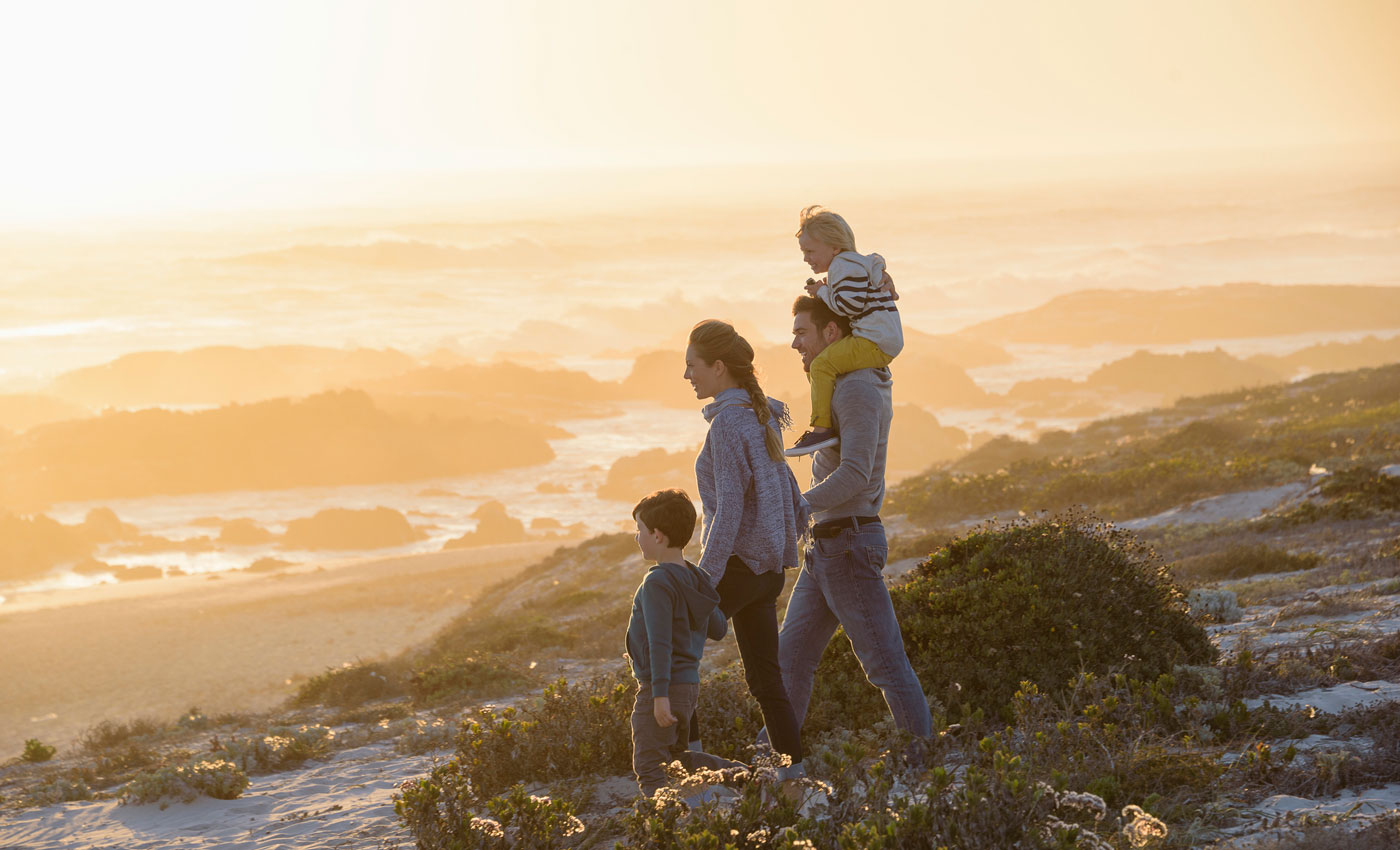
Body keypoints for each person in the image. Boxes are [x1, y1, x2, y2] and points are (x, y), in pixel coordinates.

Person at [777, 295, 932, 740]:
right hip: (826, 547)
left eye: (801, 332)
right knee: (790, 663)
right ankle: (774, 766)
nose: (794, 344)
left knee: (886, 667)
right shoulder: (842, 383)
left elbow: (857, 474)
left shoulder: (857, 387)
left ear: (832, 333)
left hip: (848, 544)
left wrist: (799, 506)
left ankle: (921, 769)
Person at [684, 319, 810, 779]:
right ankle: (794, 776)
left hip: (739, 567)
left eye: (692, 366)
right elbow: (786, 487)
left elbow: (729, 511)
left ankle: (688, 765)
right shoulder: (761, 415)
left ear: (718, 368)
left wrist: (702, 578)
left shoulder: (729, 426)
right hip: (768, 569)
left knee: (677, 649)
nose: (687, 376)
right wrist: (783, 545)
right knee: (765, 677)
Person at [626, 488, 728, 796]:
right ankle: (741, 775)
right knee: (675, 760)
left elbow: (660, 643)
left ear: (657, 535)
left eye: (639, 530)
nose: (636, 537)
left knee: (649, 767)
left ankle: (662, 832)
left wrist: (659, 697)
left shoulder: (657, 581)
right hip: (687, 688)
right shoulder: (695, 577)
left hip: (663, 689)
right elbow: (720, 628)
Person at [786, 205, 904, 457]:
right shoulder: (853, 265)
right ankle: (828, 416)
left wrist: (822, 292)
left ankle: (821, 429)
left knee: (820, 366)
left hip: (875, 341)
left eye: (810, 251)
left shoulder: (842, 266)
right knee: (824, 366)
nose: (806, 258)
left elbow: (850, 305)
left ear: (835, 248)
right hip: (881, 339)